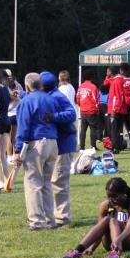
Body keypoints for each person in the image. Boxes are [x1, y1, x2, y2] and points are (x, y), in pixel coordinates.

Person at [13, 72, 59, 230]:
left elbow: (23, 126)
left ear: (27, 87)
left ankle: (37, 221)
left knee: (33, 183)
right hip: (52, 142)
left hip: (37, 143)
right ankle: (50, 220)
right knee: (46, 183)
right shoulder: (51, 99)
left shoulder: (27, 101)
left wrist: (18, 149)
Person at [62, 177, 130, 258]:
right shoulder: (105, 205)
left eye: (115, 196)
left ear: (124, 194)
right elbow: (100, 230)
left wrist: (118, 240)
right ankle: (78, 250)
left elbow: (129, 227)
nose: (112, 199)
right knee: (107, 219)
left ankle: (115, 253)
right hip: (111, 243)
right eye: (109, 196)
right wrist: (91, 248)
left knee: (113, 220)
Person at [46, 72, 78, 225]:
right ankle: (53, 214)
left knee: (58, 181)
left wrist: (53, 117)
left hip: (64, 144)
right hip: (56, 144)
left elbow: (71, 114)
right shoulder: (51, 95)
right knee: (53, 180)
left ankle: (62, 216)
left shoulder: (57, 96)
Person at [107, 63, 130, 152]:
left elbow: (118, 96)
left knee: (115, 129)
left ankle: (115, 147)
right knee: (125, 127)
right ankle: (127, 145)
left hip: (118, 107)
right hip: (127, 105)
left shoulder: (117, 81)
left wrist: (114, 109)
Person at [76, 68, 101, 150]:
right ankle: (93, 146)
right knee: (93, 129)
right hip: (91, 111)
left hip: (83, 111)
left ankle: (82, 147)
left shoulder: (81, 87)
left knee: (83, 129)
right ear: (91, 77)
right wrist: (97, 110)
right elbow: (96, 100)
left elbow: (78, 99)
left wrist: (81, 106)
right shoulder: (93, 87)